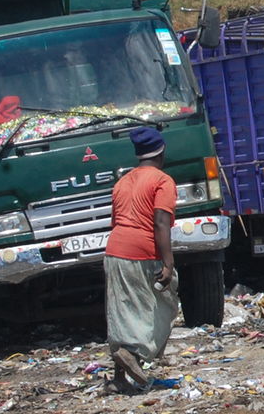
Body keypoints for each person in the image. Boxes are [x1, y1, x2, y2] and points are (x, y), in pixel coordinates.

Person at [104, 127, 179, 393]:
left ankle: (119, 378)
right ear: (162, 151)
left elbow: (116, 220)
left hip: (114, 250)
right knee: (162, 304)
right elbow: (161, 222)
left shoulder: (122, 181)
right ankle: (133, 354)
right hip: (142, 251)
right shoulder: (162, 181)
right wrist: (168, 264)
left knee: (121, 311)